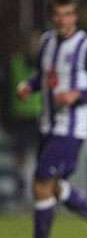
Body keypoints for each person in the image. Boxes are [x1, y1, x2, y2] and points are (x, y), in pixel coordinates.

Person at [17, 0, 87, 238]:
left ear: (75, 17)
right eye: (58, 15)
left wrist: (78, 95)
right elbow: (44, 76)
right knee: (51, 186)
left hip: (71, 128)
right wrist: (30, 86)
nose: (63, 20)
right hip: (47, 125)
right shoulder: (46, 42)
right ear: (51, 17)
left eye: (68, 15)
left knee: (41, 182)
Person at [0, 33, 41, 203]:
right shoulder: (12, 64)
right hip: (19, 119)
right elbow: (4, 93)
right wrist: (6, 119)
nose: (35, 48)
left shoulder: (45, 65)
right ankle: (22, 193)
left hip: (40, 118)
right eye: (32, 44)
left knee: (42, 158)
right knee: (20, 158)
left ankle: (40, 194)